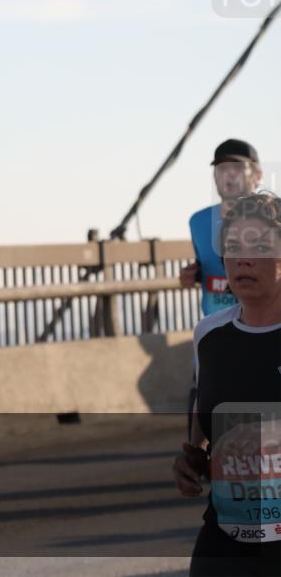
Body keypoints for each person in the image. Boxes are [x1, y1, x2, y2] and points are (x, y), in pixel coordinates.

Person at [172, 191, 281, 576]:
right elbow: (209, 406)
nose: (243, 259)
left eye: (260, 246)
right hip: (227, 529)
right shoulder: (209, 333)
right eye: (233, 247)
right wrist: (192, 456)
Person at [179, 139, 262, 316]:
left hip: (263, 329)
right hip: (214, 329)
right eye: (222, 168)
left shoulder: (274, 220)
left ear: (258, 176)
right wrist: (191, 275)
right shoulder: (198, 221)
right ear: (215, 176)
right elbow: (207, 268)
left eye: (238, 168)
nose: (229, 174)